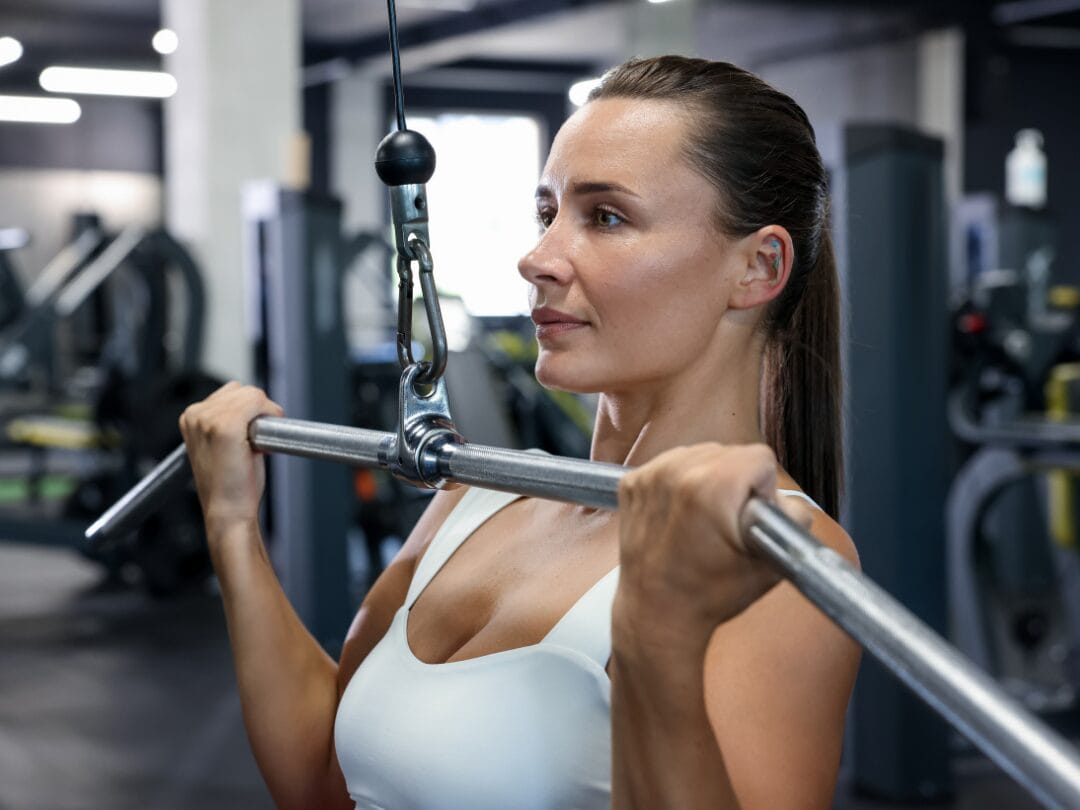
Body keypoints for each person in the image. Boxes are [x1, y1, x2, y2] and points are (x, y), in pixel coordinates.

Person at [180, 55, 860, 809]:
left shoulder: (778, 555)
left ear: (758, 267)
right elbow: (322, 783)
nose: (536, 258)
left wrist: (657, 637)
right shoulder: (480, 497)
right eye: (548, 213)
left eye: (606, 217)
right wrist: (235, 528)